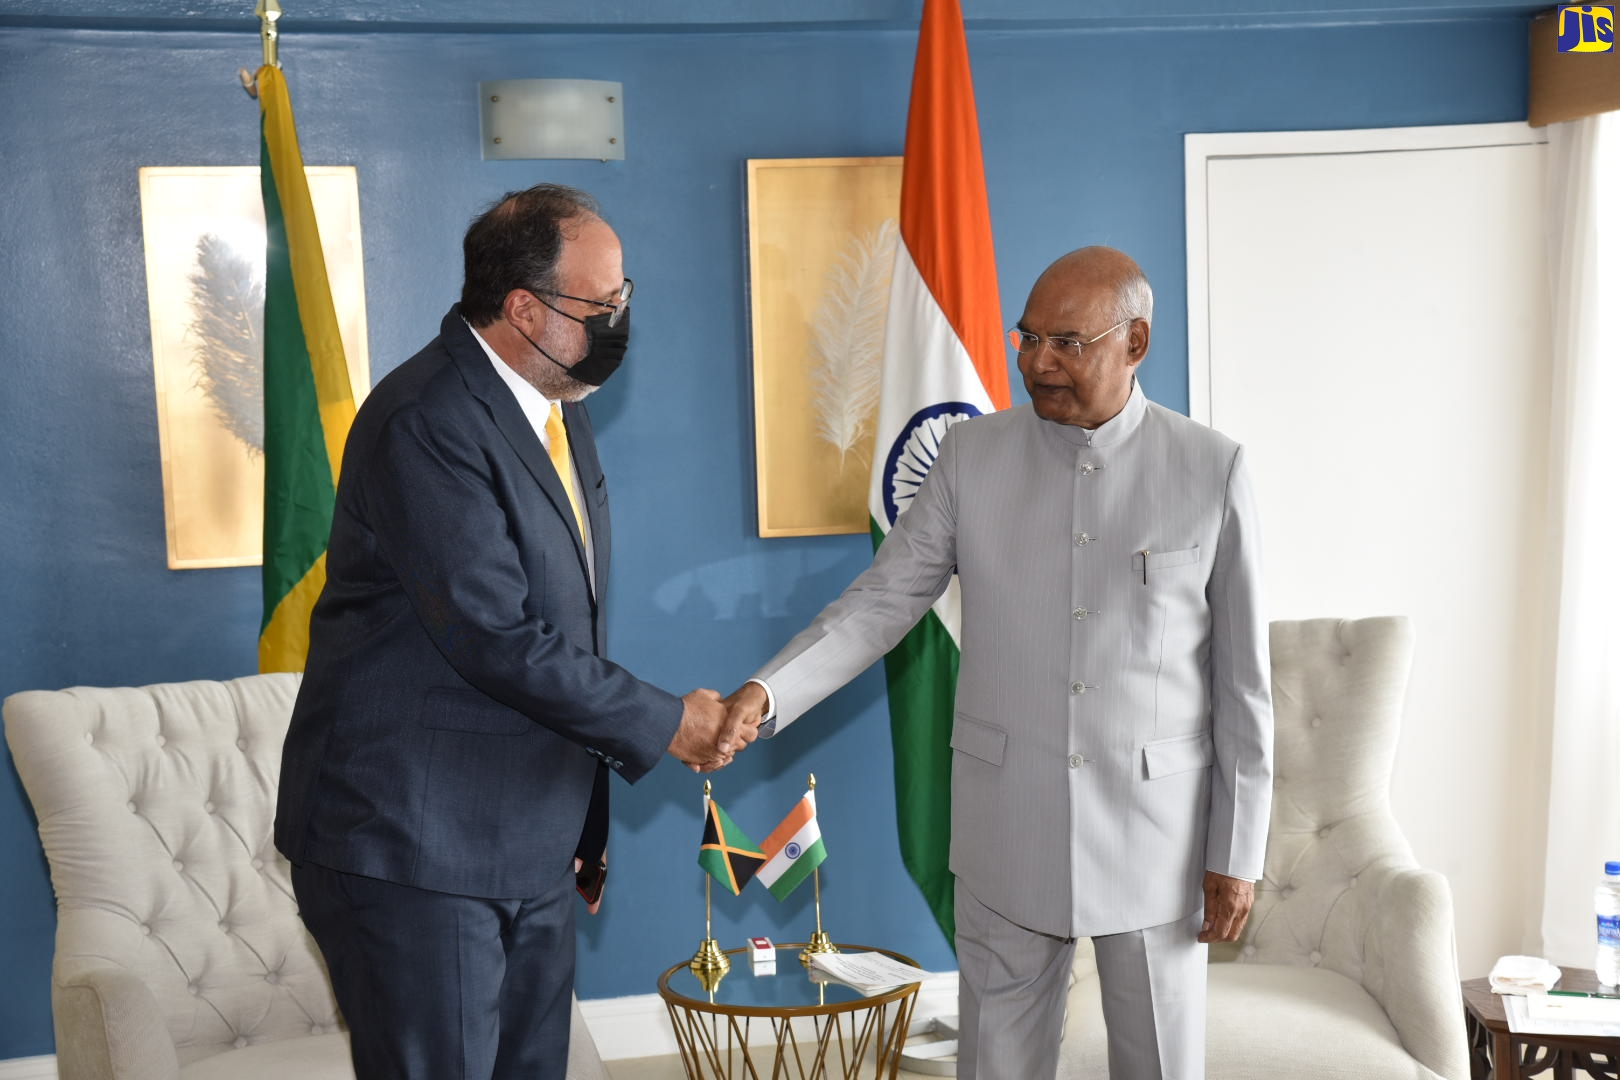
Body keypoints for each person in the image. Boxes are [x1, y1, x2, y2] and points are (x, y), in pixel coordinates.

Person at [725, 247, 1272, 1080]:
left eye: (1067, 342)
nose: (1037, 361)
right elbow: (881, 603)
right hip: (1005, 831)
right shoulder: (970, 456)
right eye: (1026, 337)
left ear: (1136, 341)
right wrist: (767, 694)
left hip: (1154, 842)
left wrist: (1238, 851)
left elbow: (1242, 684)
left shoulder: (1212, 468)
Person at [275, 183, 750, 1080]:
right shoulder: (427, 420)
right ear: (523, 307)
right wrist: (667, 722)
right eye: (600, 304)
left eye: (625, 298)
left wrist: (580, 824)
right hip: (417, 843)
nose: (619, 320)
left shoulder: (555, 404)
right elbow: (496, 634)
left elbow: (566, 616)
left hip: (524, 833)